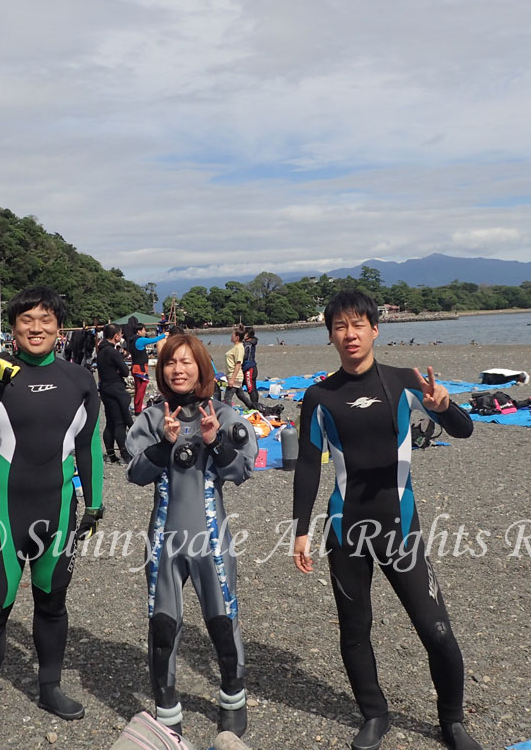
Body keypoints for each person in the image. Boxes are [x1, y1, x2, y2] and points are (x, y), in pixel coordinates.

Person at [291, 290, 481, 750]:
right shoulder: (319, 396)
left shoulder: (403, 381)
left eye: (358, 324)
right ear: (331, 335)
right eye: (340, 326)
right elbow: (307, 465)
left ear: (375, 329)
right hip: (345, 529)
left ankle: (452, 721)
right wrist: (300, 530)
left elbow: (464, 429)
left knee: (436, 629)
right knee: (355, 630)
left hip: (400, 527)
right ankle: (374, 714)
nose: (350, 334)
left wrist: (444, 408)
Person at [0, 286, 104, 750]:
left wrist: (94, 502)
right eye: (26, 321)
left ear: (59, 328)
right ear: (12, 328)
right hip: (2, 511)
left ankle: (50, 687)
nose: (36, 328)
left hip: (58, 510)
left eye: (45, 320)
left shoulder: (79, 379)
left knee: (52, 601)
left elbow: (88, 445)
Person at [125, 333, 258, 737]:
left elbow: (242, 472)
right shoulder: (151, 417)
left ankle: (233, 696)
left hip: (211, 539)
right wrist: (165, 445)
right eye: (169, 362)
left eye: (186, 362)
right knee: (162, 624)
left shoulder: (222, 413)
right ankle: (166, 707)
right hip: (163, 539)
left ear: (202, 367)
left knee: (221, 620)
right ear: (161, 370)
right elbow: (134, 473)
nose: (177, 369)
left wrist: (214, 440)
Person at [96, 323, 134, 463]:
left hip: (105, 388)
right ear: (116, 336)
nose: (122, 336)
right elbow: (125, 371)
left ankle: (111, 454)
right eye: (121, 334)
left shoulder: (100, 350)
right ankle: (126, 455)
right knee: (120, 423)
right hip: (116, 388)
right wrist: (119, 366)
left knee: (110, 422)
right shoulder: (112, 351)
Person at [126, 321, 167, 414]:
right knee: (141, 388)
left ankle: (138, 408)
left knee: (138, 388)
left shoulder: (132, 340)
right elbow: (154, 340)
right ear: (138, 331)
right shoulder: (140, 340)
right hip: (140, 367)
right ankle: (137, 407)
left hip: (135, 366)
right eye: (144, 330)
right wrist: (164, 335)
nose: (145, 332)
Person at [223, 328, 253, 408]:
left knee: (227, 398)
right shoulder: (236, 347)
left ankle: (229, 415)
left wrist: (232, 378)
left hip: (236, 376)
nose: (231, 336)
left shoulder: (239, 347)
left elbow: (238, 363)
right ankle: (254, 408)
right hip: (232, 375)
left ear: (237, 337)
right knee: (241, 396)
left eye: (232, 335)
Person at [241, 327, 260, 410]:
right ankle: (254, 405)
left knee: (251, 388)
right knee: (250, 387)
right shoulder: (250, 342)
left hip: (249, 368)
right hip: (249, 367)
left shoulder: (247, 344)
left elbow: (244, 356)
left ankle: (255, 406)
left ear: (247, 335)